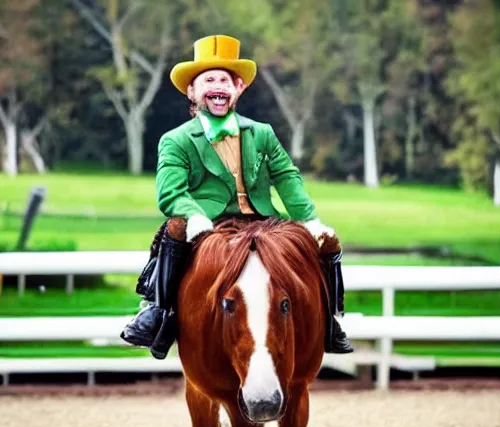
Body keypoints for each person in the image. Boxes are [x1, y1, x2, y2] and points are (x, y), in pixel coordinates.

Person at [121, 35, 353, 360]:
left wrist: (307, 219)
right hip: (210, 222)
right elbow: (171, 192)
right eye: (209, 80)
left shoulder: (263, 133)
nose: (218, 86)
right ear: (192, 91)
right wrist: (196, 217)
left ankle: (330, 319)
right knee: (173, 228)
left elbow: (286, 176)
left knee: (328, 242)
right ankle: (158, 311)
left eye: (225, 80)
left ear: (238, 88)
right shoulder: (175, 140)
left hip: (263, 221)